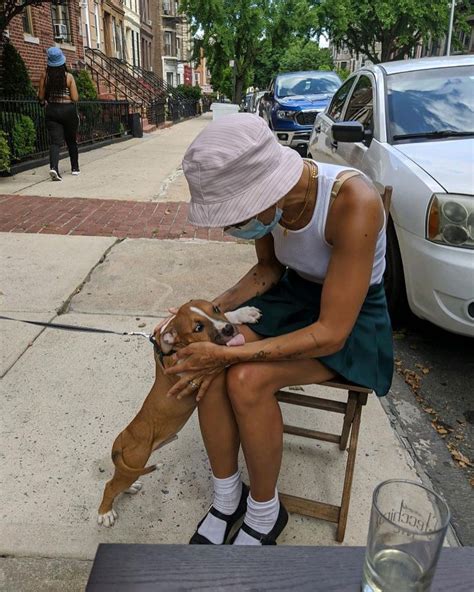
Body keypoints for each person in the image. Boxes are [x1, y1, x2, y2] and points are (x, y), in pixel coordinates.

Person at [161, 114, 393, 546]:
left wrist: (229, 355)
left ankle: (266, 511)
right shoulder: (277, 204)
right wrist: (207, 312)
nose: (233, 229)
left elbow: (331, 333)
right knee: (206, 367)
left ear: (264, 188)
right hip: (294, 297)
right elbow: (269, 270)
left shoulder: (352, 201)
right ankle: (227, 497)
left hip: (349, 321)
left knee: (244, 378)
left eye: (235, 217)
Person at [38, 47, 80, 181]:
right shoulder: (69, 77)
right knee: (71, 140)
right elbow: (75, 98)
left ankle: (54, 168)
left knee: (55, 142)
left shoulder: (45, 76)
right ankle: (75, 168)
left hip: (52, 110)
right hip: (68, 111)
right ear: (62, 61)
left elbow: (40, 96)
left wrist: (46, 100)